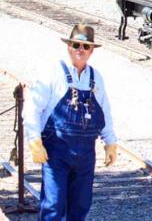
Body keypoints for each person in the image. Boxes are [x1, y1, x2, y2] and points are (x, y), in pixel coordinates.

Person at [23, 24, 118, 221]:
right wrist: (34, 141)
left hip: (85, 155)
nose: (80, 50)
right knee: (53, 205)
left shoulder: (95, 78)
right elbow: (32, 108)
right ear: (68, 47)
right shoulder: (53, 73)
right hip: (56, 152)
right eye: (76, 45)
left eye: (86, 47)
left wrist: (110, 142)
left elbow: (105, 112)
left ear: (92, 50)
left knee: (81, 205)